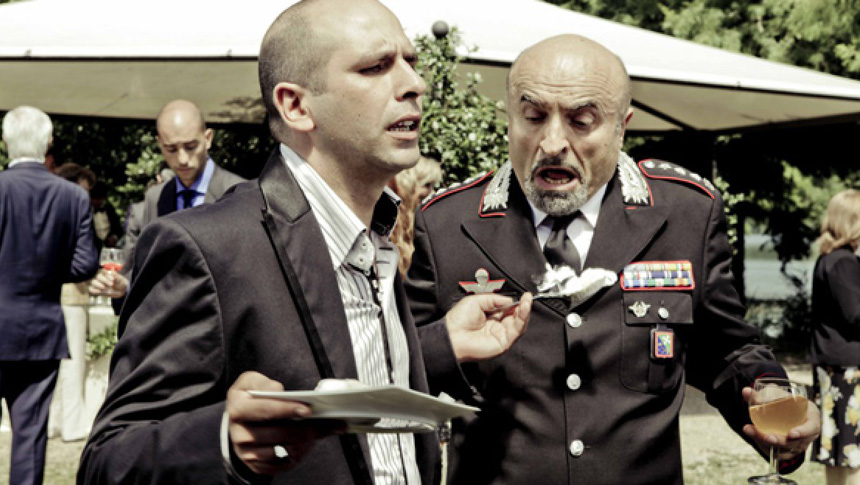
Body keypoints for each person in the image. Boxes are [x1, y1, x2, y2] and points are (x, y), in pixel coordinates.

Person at [78, 1, 531, 483]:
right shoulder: (206, 248)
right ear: (296, 106)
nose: (414, 84)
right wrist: (225, 440)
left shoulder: (377, 232)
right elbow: (107, 461)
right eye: (375, 67)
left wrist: (438, 346)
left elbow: (345, 365)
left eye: (411, 62)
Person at [405, 34, 821, 484]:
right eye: (533, 117)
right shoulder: (447, 223)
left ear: (623, 127)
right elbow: (396, 366)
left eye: (582, 121)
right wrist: (443, 345)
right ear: (509, 118)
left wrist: (770, 397)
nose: (552, 142)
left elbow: (724, 347)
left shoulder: (685, 213)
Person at [0, 106, 99, 485]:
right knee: (29, 439)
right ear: (48, 144)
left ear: (5, 142)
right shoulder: (72, 196)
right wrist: (46, 270)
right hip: (40, 330)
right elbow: (85, 265)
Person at [89, 100, 244, 301]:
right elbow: (143, 267)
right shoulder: (155, 198)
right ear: (159, 144)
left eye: (191, 146)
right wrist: (124, 285)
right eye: (171, 149)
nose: (182, 159)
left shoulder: (238, 193)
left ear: (208, 139)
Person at [809, 189, 860, 485]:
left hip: (834, 366)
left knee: (837, 448)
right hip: (848, 369)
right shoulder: (843, 262)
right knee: (853, 452)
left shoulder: (829, 259)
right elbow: (856, 315)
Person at [48, 163, 99, 444]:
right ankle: (72, 424)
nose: (86, 197)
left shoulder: (48, 212)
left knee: (57, 362)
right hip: (72, 295)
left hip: (52, 294)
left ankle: (53, 422)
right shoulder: (73, 216)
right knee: (73, 361)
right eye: (84, 190)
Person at [388, 155, 443, 275]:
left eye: (433, 186)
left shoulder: (424, 225)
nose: (433, 193)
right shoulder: (387, 228)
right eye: (427, 185)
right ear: (407, 185)